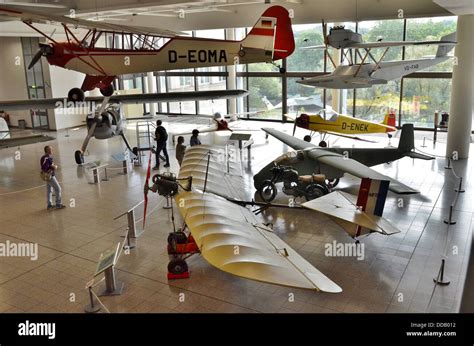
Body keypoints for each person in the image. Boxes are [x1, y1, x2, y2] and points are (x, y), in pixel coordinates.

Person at [40, 145, 65, 210]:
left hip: (48, 176)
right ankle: (58, 204)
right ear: (47, 150)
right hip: (50, 176)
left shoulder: (47, 157)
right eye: (50, 149)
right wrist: (53, 167)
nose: (52, 150)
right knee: (58, 189)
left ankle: (49, 205)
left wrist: (52, 166)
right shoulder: (46, 158)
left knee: (49, 190)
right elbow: (44, 167)